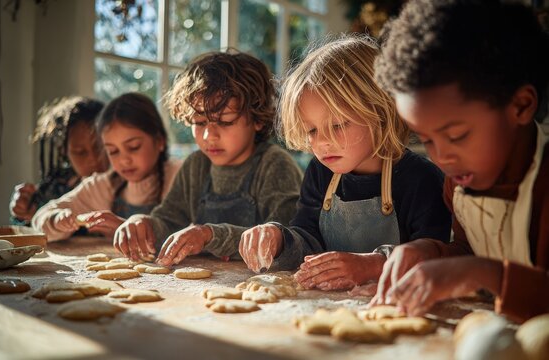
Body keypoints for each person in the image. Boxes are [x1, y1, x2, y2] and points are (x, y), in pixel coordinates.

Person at [371, 0, 549, 322]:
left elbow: (481, 268)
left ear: (521, 106)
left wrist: (485, 273)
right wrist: (429, 251)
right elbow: (473, 254)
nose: (441, 157)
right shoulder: (460, 182)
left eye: (457, 136)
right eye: (425, 139)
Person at [239, 34, 451, 291]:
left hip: (394, 306)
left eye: (337, 125)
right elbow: (309, 240)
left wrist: (372, 266)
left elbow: (435, 256)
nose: (322, 142)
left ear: (380, 111)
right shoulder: (320, 172)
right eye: (312, 130)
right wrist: (279, 238)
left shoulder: (421, 179)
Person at [113, 51, 303, 264]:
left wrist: (210, 235)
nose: (209, 136)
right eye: (200, 122)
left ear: (258, 119)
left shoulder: (274, 165)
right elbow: (168, 220)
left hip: (259, 286)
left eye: (225, 121)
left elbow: (284, 240)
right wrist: (145, 224)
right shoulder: (196, 165)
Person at [32, 92, 181, 241]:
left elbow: (195, 234)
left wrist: (123, 227)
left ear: (160, 141)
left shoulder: (183, 176)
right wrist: (57, 221)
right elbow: (40, 218)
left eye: (133, 147)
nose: (123, 160)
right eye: (113, 151)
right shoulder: (102, 186)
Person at [9, 96, 109, 226]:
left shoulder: (129, 184)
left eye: (100, 147)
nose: (93, 159)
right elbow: (31, 229)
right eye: (80, 152)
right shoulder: (57, 189)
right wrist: (23, 213)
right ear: (64, 152)